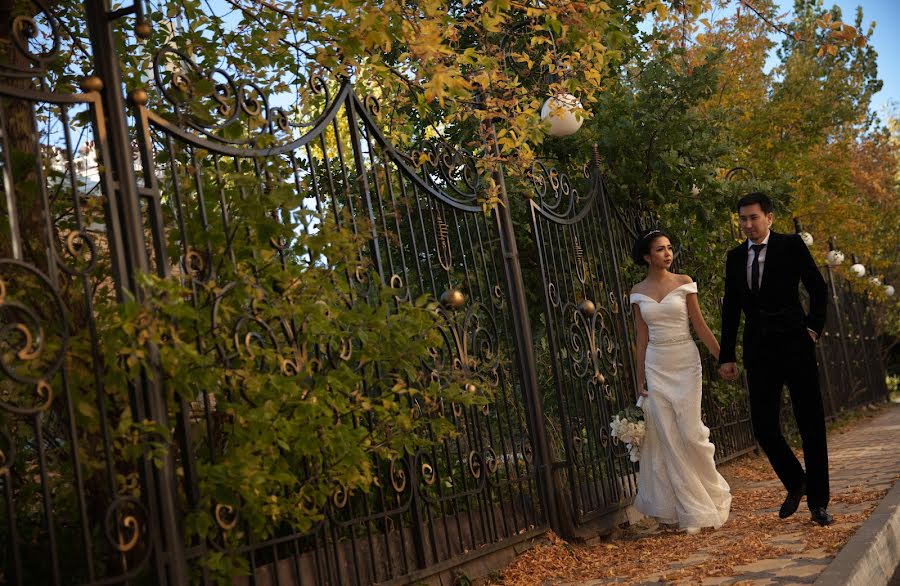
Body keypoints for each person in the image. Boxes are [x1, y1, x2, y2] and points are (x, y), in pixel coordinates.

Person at [718, 192, 832, 526]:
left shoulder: (791, 245)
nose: (748, 224)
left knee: (810, 424)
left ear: (769, 217)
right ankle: (797, 481)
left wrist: (812, 329)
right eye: (743, 219)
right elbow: (731, 310)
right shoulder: (735, 257)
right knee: (764, 427)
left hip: (796, 345)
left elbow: (818, 289)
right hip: (759, 350)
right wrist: (727, 354)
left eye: (753, 217)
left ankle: (819, 504)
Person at [629, 229, 731, 534]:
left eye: (669, 248)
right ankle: (686, 509)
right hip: (656, 366)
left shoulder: (684, 282)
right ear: (647, 257)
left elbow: (699, 325)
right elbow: (641, 337)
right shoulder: (637, 291)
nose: (667, 254)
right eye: (660, 250)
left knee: (690, 434)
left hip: (685, 362)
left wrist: (723, 358)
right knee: (668, 438)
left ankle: (712, 493)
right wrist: (639, 380)